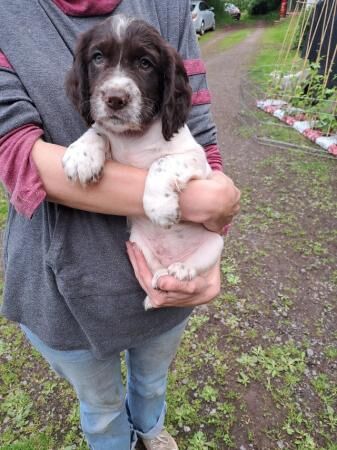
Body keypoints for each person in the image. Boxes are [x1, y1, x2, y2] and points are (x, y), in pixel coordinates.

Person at [0, 1, 240, 449]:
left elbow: (200, 139)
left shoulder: (168, 7)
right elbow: (15, 154)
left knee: (152, 383)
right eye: (100, 61)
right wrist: (185, 197)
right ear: (85, 73)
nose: (115, 86)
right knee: (100, 407)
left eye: (142, 64)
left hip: (165, 282)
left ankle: (150, 430)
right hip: (62, 292)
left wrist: (216, 214)